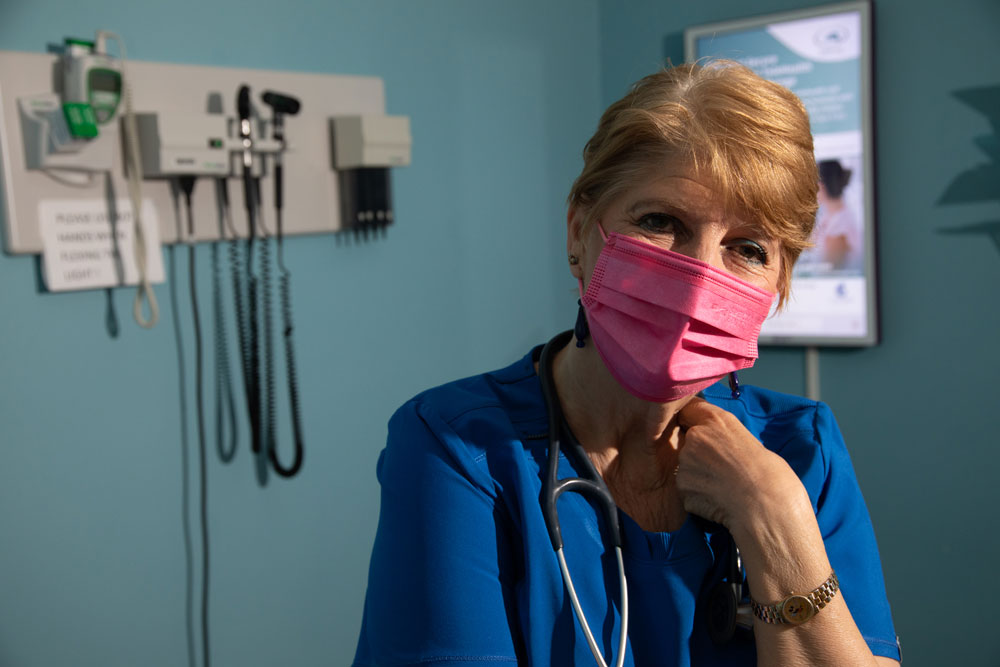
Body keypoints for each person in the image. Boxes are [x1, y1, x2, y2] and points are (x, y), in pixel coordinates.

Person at [352, 61, 899, 666]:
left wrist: (774, 519)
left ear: (779, 283)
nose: (699, 283)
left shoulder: (800, 452)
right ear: (579, 231)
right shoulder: (459, 447)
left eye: (746, 248)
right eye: (660, 222)